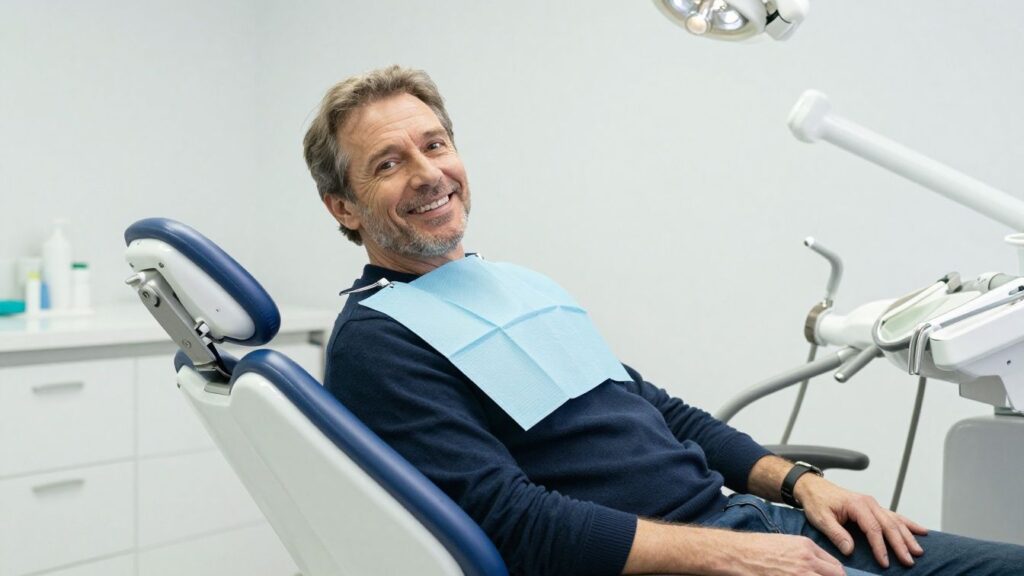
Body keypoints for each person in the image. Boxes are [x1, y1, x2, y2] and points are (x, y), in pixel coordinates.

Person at [302, 65, 1024, 576]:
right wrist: (730, 553)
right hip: (682, 559)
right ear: (343, 205)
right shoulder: (379, 340)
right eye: (388, 164)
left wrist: (802, 484)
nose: (428, 173)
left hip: (750, 527)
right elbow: (510, 521)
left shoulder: (509, 284)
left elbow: (662, 413)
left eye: (434, 145)